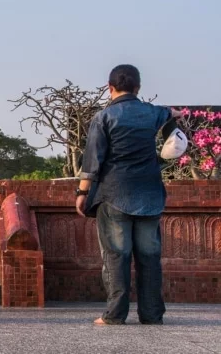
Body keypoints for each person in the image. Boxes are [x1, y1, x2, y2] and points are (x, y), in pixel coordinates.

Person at [76, 64, 180, 325]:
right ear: (138, 88)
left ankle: (114, 314)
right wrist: (171, 118)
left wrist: (82, 193)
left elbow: (93, 161)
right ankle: (152, 314)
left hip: (114, 195)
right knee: (149, 258)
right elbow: (173, 116)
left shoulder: (103, 118)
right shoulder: (153, 113)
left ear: (110, 88)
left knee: (116, 256)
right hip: (150, 195)